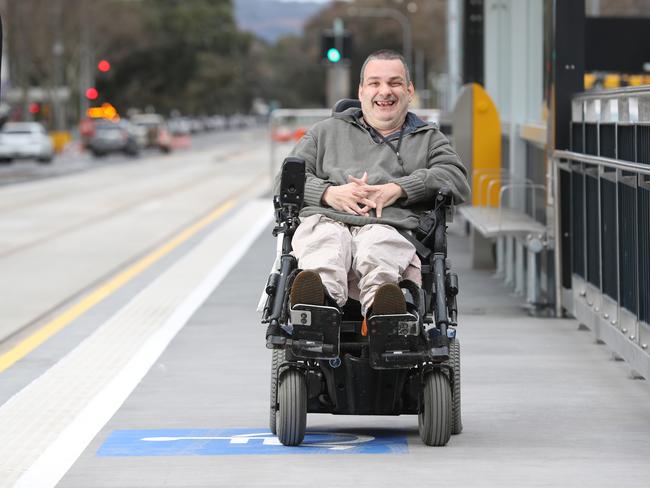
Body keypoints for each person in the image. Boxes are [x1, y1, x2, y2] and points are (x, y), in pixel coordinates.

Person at [272, 49, 470, 339]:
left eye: (394, 83)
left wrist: (400, 188)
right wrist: (329, 193)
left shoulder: (428, 139)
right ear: (361, 91)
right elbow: (285, 180)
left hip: (387, 224)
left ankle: (382, 310)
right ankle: (319, 305)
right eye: (375, 83)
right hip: (328, 219)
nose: (384, 91)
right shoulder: (324, 132)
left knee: (378, 248)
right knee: (326, 245)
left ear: (409, 90)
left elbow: (457, 179)